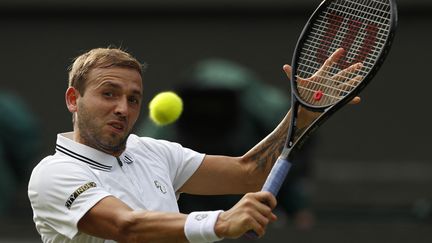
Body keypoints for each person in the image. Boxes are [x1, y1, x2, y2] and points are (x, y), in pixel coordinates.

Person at [28, 47, 360, 242]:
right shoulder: (54, 174)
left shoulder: (152, 151)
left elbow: (248, 173)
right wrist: (219, 222)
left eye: (133, 98)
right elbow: (126, 227)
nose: (122, 108)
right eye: (109, 94)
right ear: (74, 99)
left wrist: (298, 118)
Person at [137, 58, 316, 230]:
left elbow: (255, 173)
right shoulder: (161, 144)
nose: (209, 109)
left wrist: (296, 206)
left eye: (217, 100)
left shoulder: (264, 113)